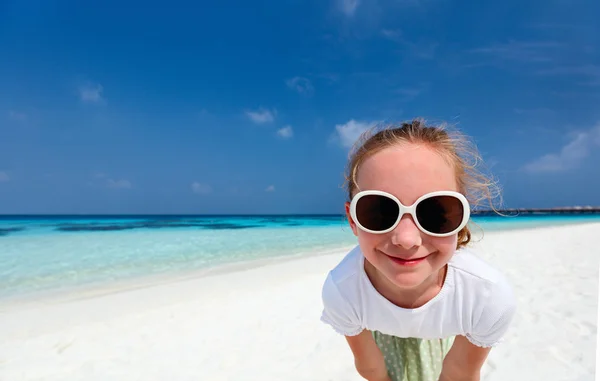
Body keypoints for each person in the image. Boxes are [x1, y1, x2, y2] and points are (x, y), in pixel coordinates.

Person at [320, 119, 516, 381]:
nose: (407, 239)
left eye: (434, 212)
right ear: (353, 220)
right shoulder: (343, 292)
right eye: (379, 211)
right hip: (380, 333)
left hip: (446, 331)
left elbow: (460, 372)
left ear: (461, 219)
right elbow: (371, 368)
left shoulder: (484, 297)